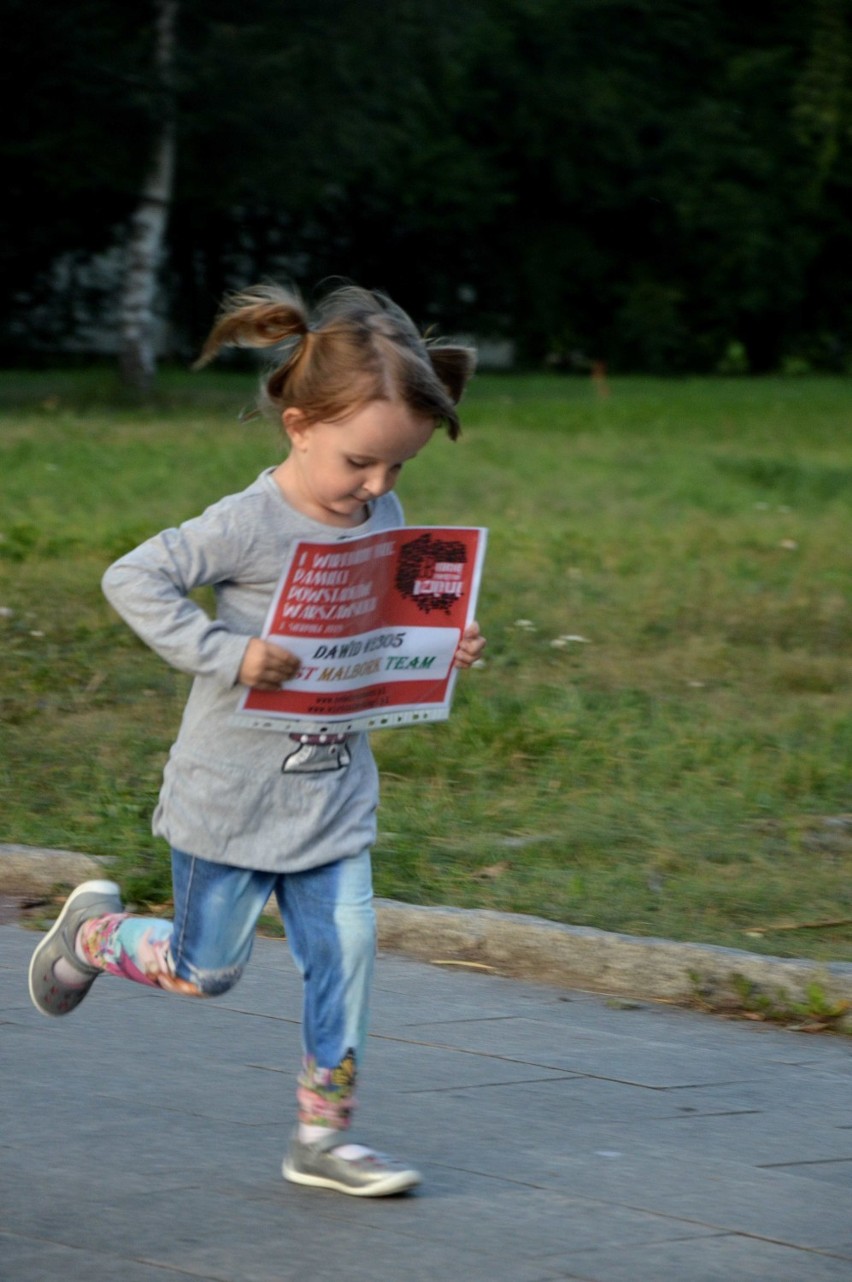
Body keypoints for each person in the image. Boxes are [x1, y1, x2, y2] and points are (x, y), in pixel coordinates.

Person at [28, 282, 486, 1198]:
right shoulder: (246, 522)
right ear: (298, 423)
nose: (379, 487)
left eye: (399, 469)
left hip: (331, 795)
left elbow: (379, 625)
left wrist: (441, 644)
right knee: (207, 972)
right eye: (361, 462)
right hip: (229, 801)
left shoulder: (382, 517)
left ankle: (323, 1135)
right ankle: (92, 934)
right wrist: (226, 653)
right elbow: (135, 577)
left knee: (347, 953)